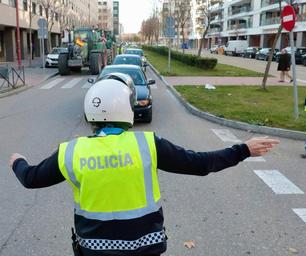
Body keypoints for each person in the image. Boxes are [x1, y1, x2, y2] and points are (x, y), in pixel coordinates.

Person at [9, 77, 279, 256]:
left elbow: (31, 178)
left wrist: (17, 162)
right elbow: (200, 164)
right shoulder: (148, 145)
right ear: (125, 110)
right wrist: (243, 149)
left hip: (94, 249)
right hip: (145, 248)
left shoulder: (71, 152)